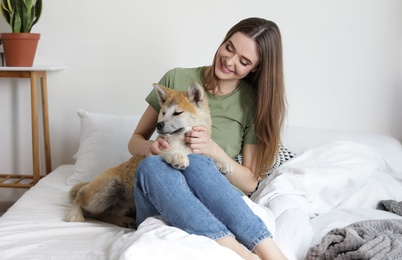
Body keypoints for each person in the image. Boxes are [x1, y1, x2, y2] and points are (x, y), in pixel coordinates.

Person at [128, 17, 287, 260]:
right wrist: (150, 147)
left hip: (218, 201)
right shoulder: (175, 79)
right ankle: (242, 254)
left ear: (254, 68)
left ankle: (273, 255)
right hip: (161, 196)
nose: (229, 61)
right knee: (151, 165)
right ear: (223, 41)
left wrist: (212, 149)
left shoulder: (253, 103)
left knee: (200, 162)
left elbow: (249, 182)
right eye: (229, 48)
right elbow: (134, 141)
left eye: (243, 61)